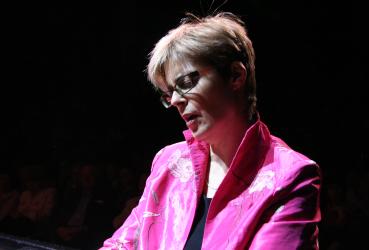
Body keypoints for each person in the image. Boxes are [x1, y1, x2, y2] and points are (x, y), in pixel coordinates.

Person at [101, 12, 321, 249]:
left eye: (186, 83)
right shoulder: (169, 162)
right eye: (169, 93)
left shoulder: (290, 177)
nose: (175, 100)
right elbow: (121, 244)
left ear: (236, 76)